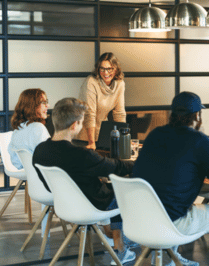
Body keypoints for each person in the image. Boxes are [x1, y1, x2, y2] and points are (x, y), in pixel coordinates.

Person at [132, 91, 209, 266]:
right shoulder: (198, 140)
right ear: (197, 116)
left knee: (169, 200)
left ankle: (167, 261)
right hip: (172, 223)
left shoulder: (154, 135)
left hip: (140, 219)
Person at [33, 98, 136, 265]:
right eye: (82, 122)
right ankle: (124, 247)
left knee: (113, 190)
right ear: (74, 125)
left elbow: (52, 183)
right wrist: (139, 163)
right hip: (94, 206)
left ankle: (116, 240)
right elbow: (116, 167)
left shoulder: (40, 151)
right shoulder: (82, 155)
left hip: (65, 207)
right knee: (127, 192)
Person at [76, 52, 126, 150]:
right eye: (102, 68)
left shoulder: (120, 84)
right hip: (83, 134)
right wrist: (91, 142)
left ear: (115, 69)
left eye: (109, 69)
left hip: (101, 134)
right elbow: (89, 114)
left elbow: (119, 114)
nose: (105, 72)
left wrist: (124, 139)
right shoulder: (91, 82)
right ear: (98, 69)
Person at [8, 89, 50, 169]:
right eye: (43, 102)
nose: (48, 105)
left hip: (25, 171)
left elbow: (15, 161)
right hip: (41, 173)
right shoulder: (38, 128)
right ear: (32, 106)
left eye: (46, 102)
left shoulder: (18, 129)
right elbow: (48, 158)